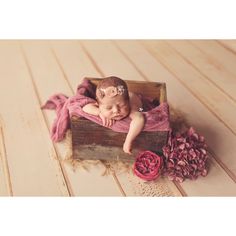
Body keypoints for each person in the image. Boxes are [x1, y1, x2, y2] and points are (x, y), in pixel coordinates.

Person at [82, 76, 145, 154]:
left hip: (139, 104)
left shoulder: (132, 108)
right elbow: (85, 108)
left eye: (122, 105)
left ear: (128, 102)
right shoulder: (104, 104)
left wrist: (128, 141)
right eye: (109, 108)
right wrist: (99, 112)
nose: (116, 111)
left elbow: (139, 119)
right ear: (99, 105)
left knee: (141, 110)